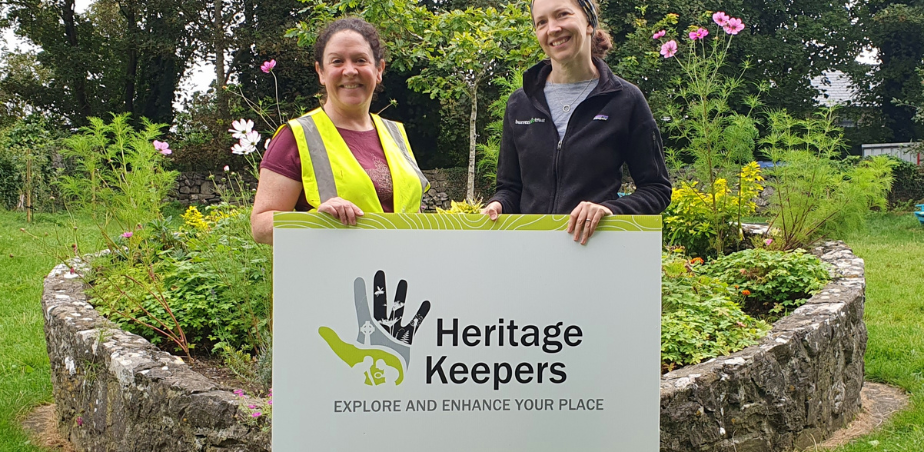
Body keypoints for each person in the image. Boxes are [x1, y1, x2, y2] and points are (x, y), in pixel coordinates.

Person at [482, 0, 671, 244]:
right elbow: (510, 188)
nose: (552, 28)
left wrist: (610, 210)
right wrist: (497, 205)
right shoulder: (520, 103)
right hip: (531, 255)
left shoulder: (626, 100)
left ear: (589, 22)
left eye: (562, 15)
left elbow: (657, 189)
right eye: (541, 22)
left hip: (594, 253)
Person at [250, 18, 429, 245]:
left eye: (360, 60)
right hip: (333, 277)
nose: (350, 70)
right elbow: (260, 227)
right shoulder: (296, 137)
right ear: (321, 72)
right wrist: (315, 221)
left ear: (379, 70)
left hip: (400, 273)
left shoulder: (395, 134)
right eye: (337, 61)